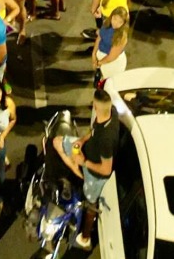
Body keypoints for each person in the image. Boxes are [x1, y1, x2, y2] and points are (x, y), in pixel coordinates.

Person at [52, 89, 120, 250]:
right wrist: (81, 142)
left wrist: (84, 162)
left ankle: (86, 237)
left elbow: (105, 169)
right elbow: (93, 131)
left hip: (95, 174)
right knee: (57, 141)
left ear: (96, 107)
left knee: (91, 203)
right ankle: (76, 170)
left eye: (93, 105)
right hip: (85, 152)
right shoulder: (110, 113)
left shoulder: (106, 140)